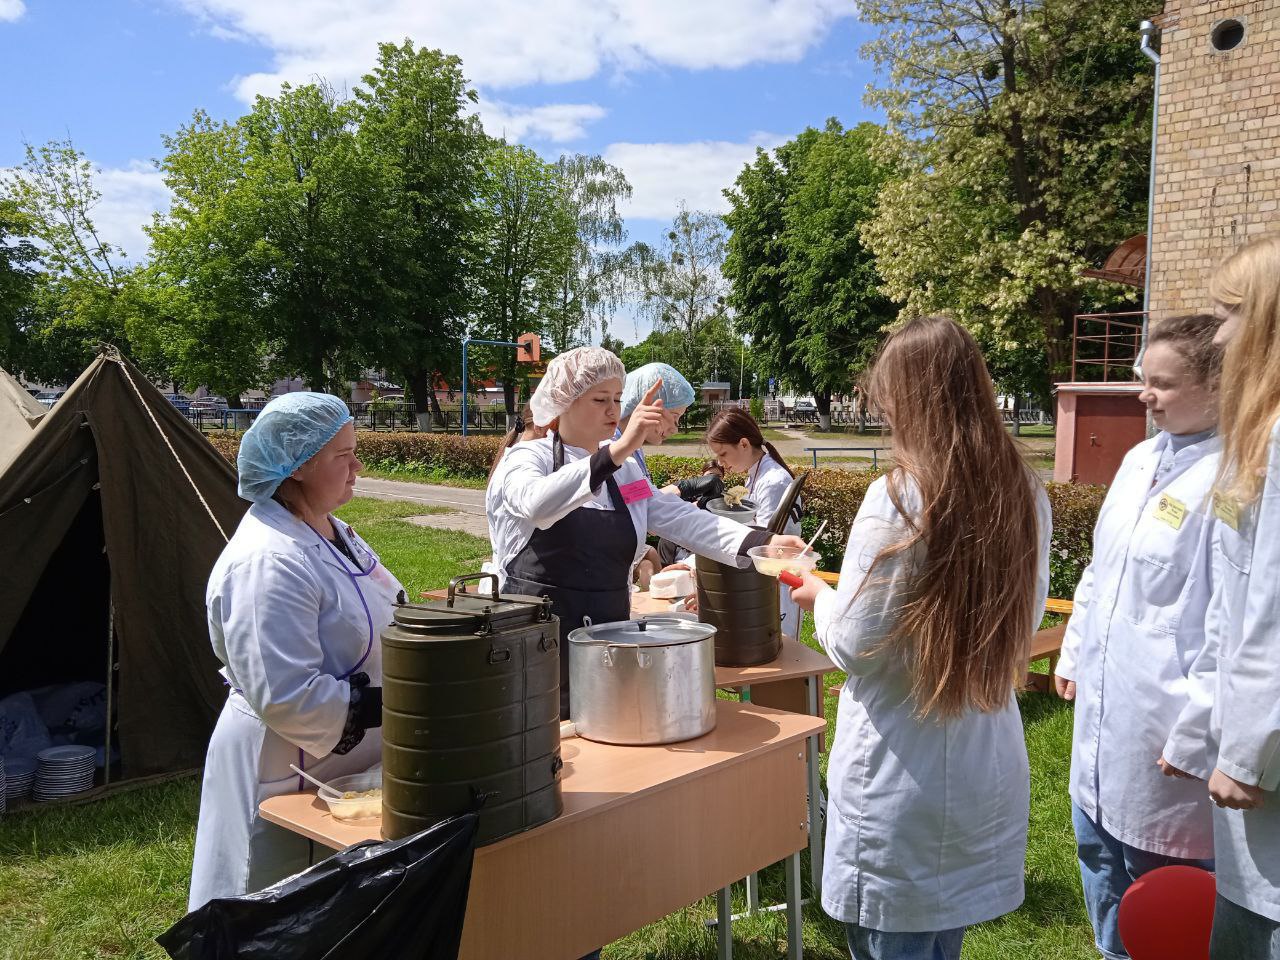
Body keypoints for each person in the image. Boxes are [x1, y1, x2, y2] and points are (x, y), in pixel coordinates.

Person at [787, 316, 1051, 960]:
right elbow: (1028, 612)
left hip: (901, 772)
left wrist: (819, 594)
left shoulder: (900, 498)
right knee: (939, 938)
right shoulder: (1024, 491)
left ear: (911, 400)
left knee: (894, 937)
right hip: (978, 756)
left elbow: (854, 642)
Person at [490, 346, 806, 720]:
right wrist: (618, 451)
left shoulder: (624, 473)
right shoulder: (528, 459)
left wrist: (761, 542)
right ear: (565, 402)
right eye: (600, 399)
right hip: (535, 645)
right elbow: (536, 504)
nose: (613, 410)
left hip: (607, 640)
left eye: (618, 399)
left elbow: (674, 515)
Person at [189, 393, 405, 909]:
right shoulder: (267, 562)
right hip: (285, 754)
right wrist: (394, 704)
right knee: (268, 901)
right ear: (298, 467)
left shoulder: (334, 531)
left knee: (327, 905)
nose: (358, 466)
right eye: (343, 456)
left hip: (339, 756)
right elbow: (286, 695)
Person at [1053, 313, 1224, 960]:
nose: (1143, 396)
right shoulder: (1138, 459)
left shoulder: (1238, 481)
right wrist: (1072, 650)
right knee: (1100, 863)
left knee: (1168, 903)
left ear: (1220, 384)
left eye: (1163, 384)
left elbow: (1237, 621)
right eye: (1140, 380)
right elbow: (1103, 566)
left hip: (1169, 735)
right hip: (1104, 716)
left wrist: (1198, 726)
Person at [1197, 234, 1280, 959]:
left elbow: (1272, 612)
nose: (1217, 334)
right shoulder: (1260, 436)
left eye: (1229, 314)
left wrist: (1248, 754)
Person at [705, 408, 803, 634]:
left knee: (780, 655)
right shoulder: (758, 474)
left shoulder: (772, 480)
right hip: (765, 579)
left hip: (776, 579)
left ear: (743, 444)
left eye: (723, 454)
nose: (721, 463)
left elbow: (766, 541)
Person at [485, 402, 547, 579]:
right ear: (541, 427)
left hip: (516, 576)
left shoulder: (515, 461)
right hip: (516, 581)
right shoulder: (520, 469)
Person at [612, 361, 695, 478]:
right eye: (673, 416)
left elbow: (640, 495)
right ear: (645, 405)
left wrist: (682, 488)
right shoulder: (606, 448)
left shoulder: (634, 448)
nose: (674, 430)